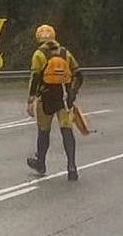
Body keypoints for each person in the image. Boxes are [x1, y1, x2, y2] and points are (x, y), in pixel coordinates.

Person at [26, 24, 83, 180]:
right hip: (64, 97)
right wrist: (72, 93)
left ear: (38, 37)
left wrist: (30, 100)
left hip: (46, 98)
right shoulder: (65, 53)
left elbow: (35, 78)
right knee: (67, 130)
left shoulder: (39, 54)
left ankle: (41, 163)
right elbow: (79, 74)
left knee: (43, 131)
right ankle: (72, 167)